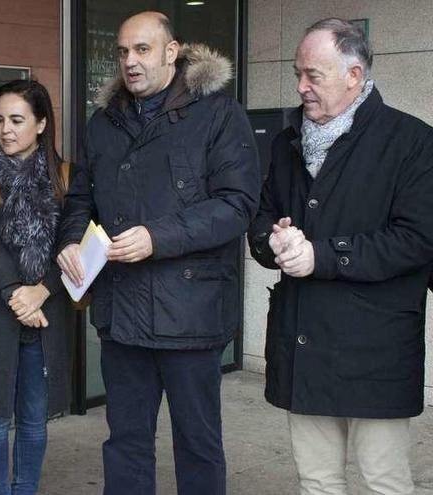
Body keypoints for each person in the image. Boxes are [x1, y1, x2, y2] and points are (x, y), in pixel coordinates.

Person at [57, 11, 259, 495]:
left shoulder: (218, 114)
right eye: (123, 51)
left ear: (172, 51)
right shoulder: (102, 124)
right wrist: (69, 239)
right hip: (122, 315)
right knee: (125, 442)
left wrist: (158, 237)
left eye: (142, 49)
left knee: (197, 443)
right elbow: (80, 198)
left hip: (190, 314)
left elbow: (237, 205)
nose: (129, 61)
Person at [248, 18, 433, 495]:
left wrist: (321, 257)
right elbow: (262, 218)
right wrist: (276, 240)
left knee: (384, 481)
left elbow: (416, 239)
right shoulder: (289, 143)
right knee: (317, 481)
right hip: (304, 342)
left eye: (313, 75)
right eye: (297, 74)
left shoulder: (412, 142)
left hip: (376, 349)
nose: (301, 87)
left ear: (354, 75)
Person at [0, 79, 71, 495]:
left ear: (41, 123)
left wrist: (41, 290)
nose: (6, 130)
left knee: (33, 418)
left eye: (18, 120)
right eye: (0, 120)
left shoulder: (65, 176)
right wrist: (15, 294)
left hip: (47, 314)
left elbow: (75, 242)